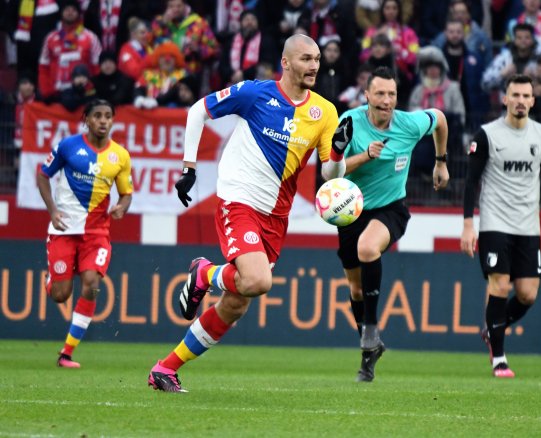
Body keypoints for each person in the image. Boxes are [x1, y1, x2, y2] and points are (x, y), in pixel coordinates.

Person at [147, 34, 348, 393]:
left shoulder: (325, 112)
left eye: (317, 58)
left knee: (237, 303)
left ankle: (166, 368)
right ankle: (204, 273)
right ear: (285, 63)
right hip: (238, 199)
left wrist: (337, 152)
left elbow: (330, 176)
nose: (314, 65)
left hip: (276, 216)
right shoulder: (256, 94)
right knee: (257, 281)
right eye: (305, 58)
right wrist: (189, 168)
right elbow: (198, 111)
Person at [337, 66, 450, 382]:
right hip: (351, 211)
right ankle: (369, 352)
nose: (386, 100)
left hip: (391, 208)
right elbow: (330, 171)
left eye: (392, 94)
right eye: (380, 94)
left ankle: (370, 331)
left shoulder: (410, 123)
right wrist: (364, 157)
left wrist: (441, 162)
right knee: (355, 289)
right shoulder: (349, 122)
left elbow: (439, 118)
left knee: (368, 247)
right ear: (367, 96)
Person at [460, 74, 541, 378]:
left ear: (533, 100)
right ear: (504, 99)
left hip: (528, 226)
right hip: (495, 223)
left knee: (528, 294)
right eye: (514, 95)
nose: (520, 100)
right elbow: (471, 182)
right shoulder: (487, 135)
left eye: (526, 96)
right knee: (499, 285)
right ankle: (499, 359)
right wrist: (468, 224)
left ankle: (494, 328)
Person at [37, 99, 133, 368]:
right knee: (60, 294)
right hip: (64, 229)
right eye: (97, 116)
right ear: (86, 120)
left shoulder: (121, 156)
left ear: (113, 121)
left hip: (97, 233)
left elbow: (126, 194)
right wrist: (53, 210)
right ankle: (52, 279)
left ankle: (66, 353)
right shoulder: (68, 146)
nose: (103, 121)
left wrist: (122, 208)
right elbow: (43, 175)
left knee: (91, 284)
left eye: (108, 116)